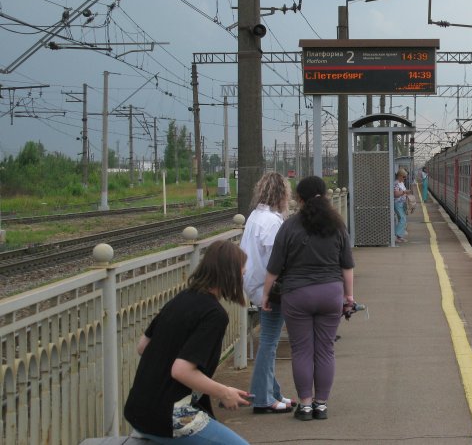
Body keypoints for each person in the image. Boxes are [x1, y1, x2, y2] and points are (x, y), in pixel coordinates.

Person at [124, 240, 252, 444]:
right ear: (230, 275)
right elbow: (181, 371)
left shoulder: (181, 298)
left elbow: (143, 347)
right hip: (167, 417)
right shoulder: (214, 315)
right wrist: (224, 392)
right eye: (242, 274)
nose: (243, 280)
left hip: (138, 411)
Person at [261, 176, 355, 422]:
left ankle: (304, 405)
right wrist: (349, 296)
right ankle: (321, 405)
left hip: (297, 294)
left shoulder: (289, 226)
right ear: (324, 195)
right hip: (330, 293)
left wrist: (265, 294)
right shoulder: (337, 225)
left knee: (301, 350)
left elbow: (274, 267)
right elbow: (347, 267)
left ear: (299, 199)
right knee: (325, 350)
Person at [239, 172, 296, 414]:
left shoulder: (255, 216)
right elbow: (278, 260)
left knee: (268, 342)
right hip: (270, 289)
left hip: (254, 284)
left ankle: (271, 392)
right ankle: (263, 398)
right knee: (269, 343)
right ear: (282, 194)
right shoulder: (272, 222)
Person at [393, 168, 409, 243]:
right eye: (403, 177)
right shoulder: (396, 183)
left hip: (402, 203)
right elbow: (396, 194)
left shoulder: (401, 183)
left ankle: (399, 236)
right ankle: (396, 235)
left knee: (401, 219)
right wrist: (404, 192)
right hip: (397, 203)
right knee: (403, 219)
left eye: (405, 177)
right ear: (399, 176)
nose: (404, 178)